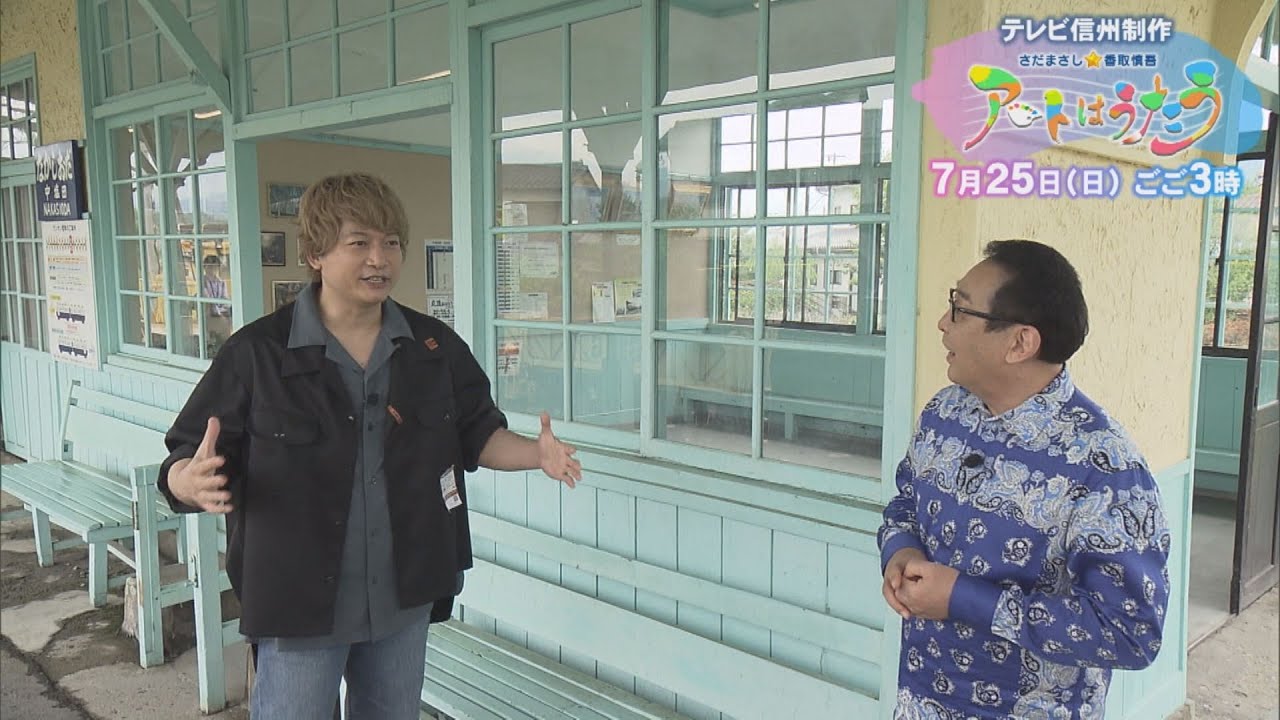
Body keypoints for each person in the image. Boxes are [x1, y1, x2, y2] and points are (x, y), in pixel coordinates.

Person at [158, 172, 582, 719]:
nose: (378, 259)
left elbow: (477, 434)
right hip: (297, 603)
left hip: (402, 597)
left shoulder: (433, 349)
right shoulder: (257, 354)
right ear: (315, 253)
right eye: (358, 243)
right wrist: (187, 482)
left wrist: (535, 455)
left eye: (391, 243)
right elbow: (185, 455)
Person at [878, 240, 1171, 719]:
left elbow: (1130, 632)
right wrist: (901, 552)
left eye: (960, 309)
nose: (942, 323)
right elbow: (905, 503)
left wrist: (964, 599)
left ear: (1020, 343)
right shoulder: (943, 414)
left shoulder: (1105, 468)